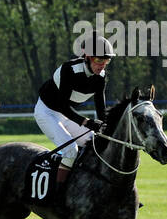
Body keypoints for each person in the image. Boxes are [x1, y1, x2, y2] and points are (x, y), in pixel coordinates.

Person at [35, 35, 112, 197]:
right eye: (99, 60)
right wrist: (87, 122)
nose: (102, 65)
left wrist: (105, 127)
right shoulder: (69, 70)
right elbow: (62, 106)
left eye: (106, 61)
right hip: (47, 112)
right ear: (87, 57)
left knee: (95, 146)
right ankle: (58, 195)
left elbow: (100, 106)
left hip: (67, 115)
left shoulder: (101, 77)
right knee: (70, 150)